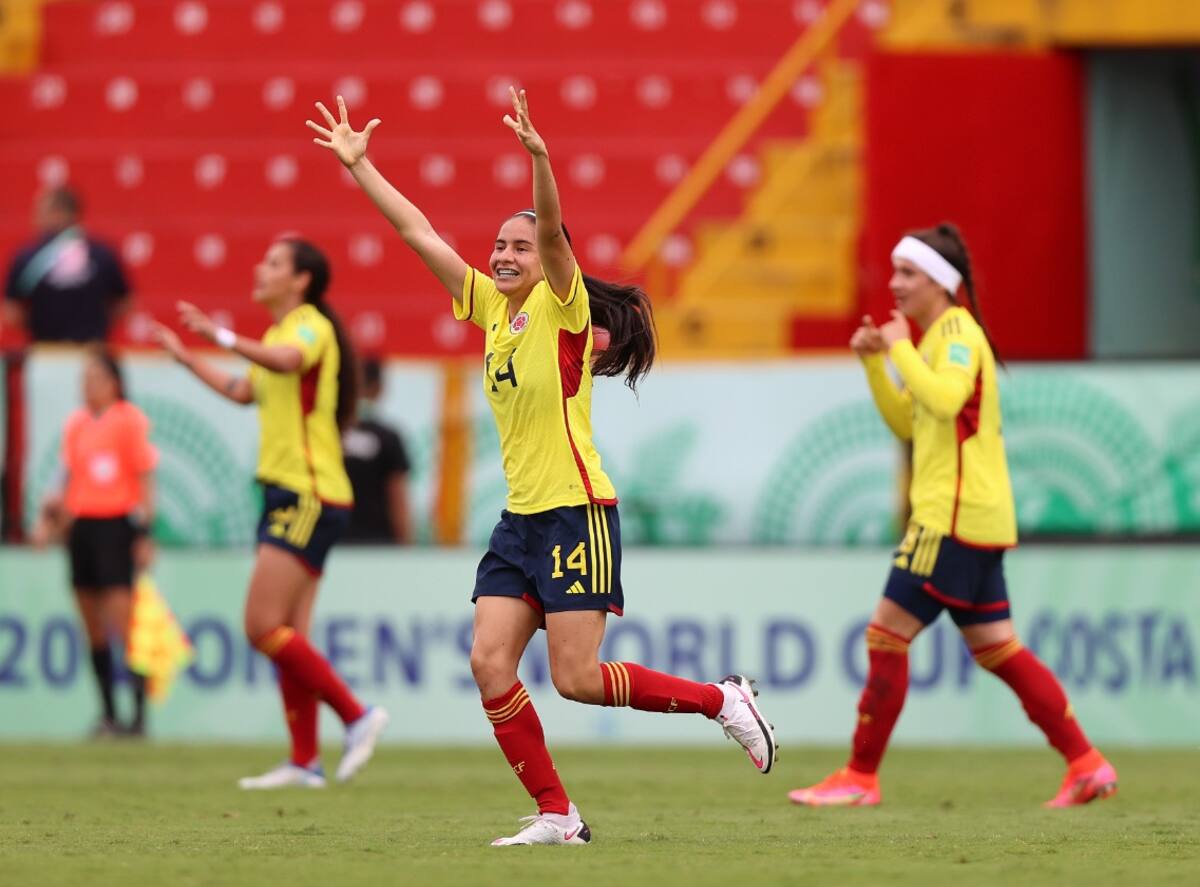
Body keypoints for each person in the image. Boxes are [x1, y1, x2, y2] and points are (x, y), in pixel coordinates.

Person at [308, 90, 778, 845]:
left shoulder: (563, 306)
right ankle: (559, 814)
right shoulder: (489, 307)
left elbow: (553, 229)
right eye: (498, 246)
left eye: (517, 248)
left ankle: (721, 702)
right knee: (490, 663)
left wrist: (539, 160)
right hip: (520, 519)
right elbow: (415, 230)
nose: (502, 255)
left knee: (578, 680)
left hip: (576, 509)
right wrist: (362, 167)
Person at [788, 223, 1117, 809]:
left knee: (886, 635)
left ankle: (861, 776)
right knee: (999, 649)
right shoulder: (937, 339)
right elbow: (910, 423)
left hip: (952, 520)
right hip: (974, 519)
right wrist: (875, 364)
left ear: (940, 283)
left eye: (907, 273)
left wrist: (897, 348)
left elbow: (942, 398)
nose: (894, 284)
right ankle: (1086, 763)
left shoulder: (956, 335)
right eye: (894, 271)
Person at [152, 236, 388, 789]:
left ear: (301, 280)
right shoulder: (279, 331)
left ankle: (357, 716)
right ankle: (305, 761)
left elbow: (287, 362)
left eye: (275, 262)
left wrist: (224, 336)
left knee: (261, 626)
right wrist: (190, 359)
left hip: (307, 493)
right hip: (296, 494)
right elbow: (243, 390)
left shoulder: (308, 325)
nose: (261, 267)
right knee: (288, 634)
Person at [31, 348, 157, 737]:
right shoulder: (77, 424)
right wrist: (47, 523)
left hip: (116, 527)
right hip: (81, 528)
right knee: (93, 626)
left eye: (94, 378)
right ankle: (108, 713)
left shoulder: (130, 420)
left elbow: (146, 478)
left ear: (114, 383)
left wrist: (144, 534)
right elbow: (65, 479)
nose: (87, 386)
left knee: (125, 624)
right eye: (84, 379)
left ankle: (137, 718)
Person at [4, 186, 131, 343]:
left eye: (42, 212)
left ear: (60, 213)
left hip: (47, 349)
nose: (36, 219)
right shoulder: (102, 252)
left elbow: (10, 310)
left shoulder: (28, 256)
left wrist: (38, 327)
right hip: (90, 348)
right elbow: (126, 302)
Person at [341, 357, 413, 544]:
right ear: (379, 388)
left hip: (334, 541)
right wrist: (406, 544)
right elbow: (397, 496)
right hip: (379, 547)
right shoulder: (388, 437)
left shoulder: (330, 434)